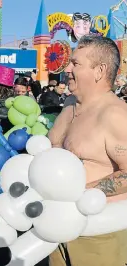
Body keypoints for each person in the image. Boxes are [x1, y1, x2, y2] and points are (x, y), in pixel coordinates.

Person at [48, 35, 127, 266]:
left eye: (76, 64)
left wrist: (79, 192)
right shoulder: (70, 104)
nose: (67, 69)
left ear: (99, 71)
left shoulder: (115, 115)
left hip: (98, 236)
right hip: (58, 228)